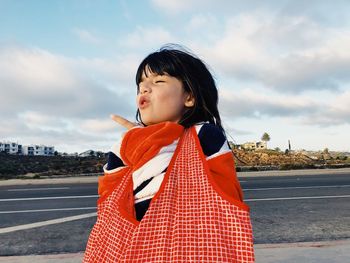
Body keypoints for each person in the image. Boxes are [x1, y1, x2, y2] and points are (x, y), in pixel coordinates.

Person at [83, 45, 255, 262]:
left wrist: (150, 137)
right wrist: (138, 140)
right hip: (128, 247)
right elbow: (109, 200)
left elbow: (226, 194)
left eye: (158, 81)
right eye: (140, 85)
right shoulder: (124, 146)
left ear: (189, 97)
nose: (144, 89)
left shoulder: (204, 137)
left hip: (192, 248)